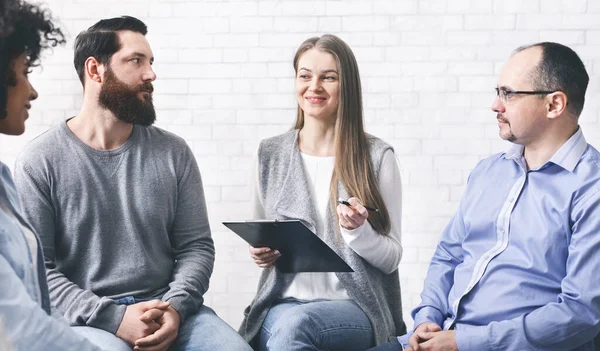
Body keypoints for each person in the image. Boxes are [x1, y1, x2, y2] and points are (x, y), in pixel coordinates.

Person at [13, 15, 251, 351]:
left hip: (169, 309)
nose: (150, 74)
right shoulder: (40, 161)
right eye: (135, 61)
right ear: (95, 70)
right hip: (88, 320)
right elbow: (38, 270)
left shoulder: (174, 152)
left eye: (150, 62)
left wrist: (176, 309)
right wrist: (114, 319)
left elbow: (195, 247)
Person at [369, 42, 600, 351]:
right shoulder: (489, 172)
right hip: (441, 337)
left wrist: (464, 342)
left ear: (554, 104)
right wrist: (428, 316)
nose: (495, 105)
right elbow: (449, 255)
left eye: (509, 94)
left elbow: (580, 313)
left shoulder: (591, 187)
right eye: (498, 92)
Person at [239, 34, 406, 351]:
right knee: (286, 329)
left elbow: (391, 259)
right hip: (283, 304)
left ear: (347, 87)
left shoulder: (377, 157)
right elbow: (262, 234)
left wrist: (359, 233)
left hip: (358, 308)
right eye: (305, 76)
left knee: (296, 328)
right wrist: (261, 253)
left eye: (328, 77)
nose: (313, 87)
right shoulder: (269, 154)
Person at [0, 0, 103, 349]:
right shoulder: (38, 161)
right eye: (25, 71)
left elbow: (41, 308)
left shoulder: (3, 180)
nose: (32, 91)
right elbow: (21, 327)